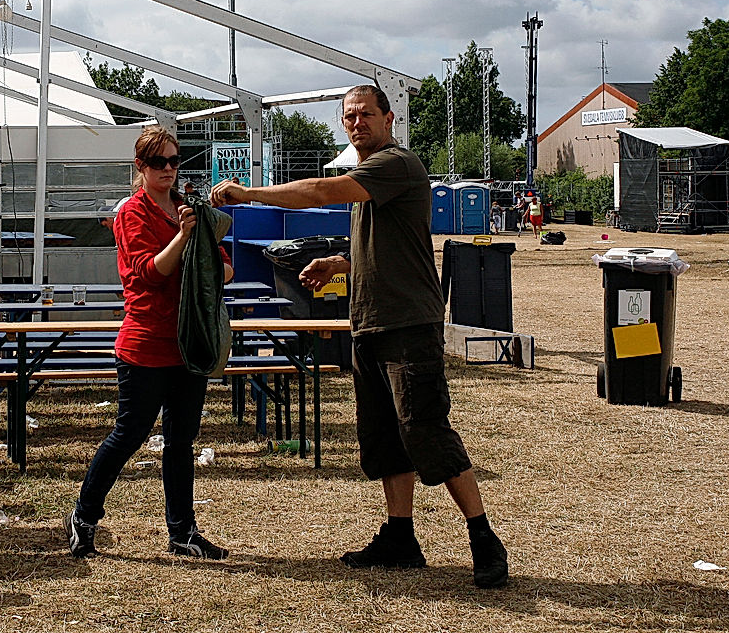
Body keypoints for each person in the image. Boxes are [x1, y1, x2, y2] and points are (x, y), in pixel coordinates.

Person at [209, 84, 508, 588]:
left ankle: (484, 538)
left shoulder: (396, 164)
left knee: (425, 430)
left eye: (365, 114)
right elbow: (388, 244)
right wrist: (339, 262)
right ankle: (400, 537)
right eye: (349, 116)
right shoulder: (371, 180)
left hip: (408, 324)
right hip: (369, 322)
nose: (356, 123)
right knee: (384, 436)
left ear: (388, 118)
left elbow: (318, 192)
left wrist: (249, 193)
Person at [65, 127, 234, 561]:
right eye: (158, 162)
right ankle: (84, 515)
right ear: (140, 166)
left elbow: (225, 268)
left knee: (181, 441)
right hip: (145, 341)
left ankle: (183, 532)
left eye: (174, 161)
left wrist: (205, 258)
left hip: (189, 341)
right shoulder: (132, 213)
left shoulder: (187, 207)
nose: (168, 170)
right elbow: (149, 273)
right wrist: (184, 238)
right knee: (130, 433)